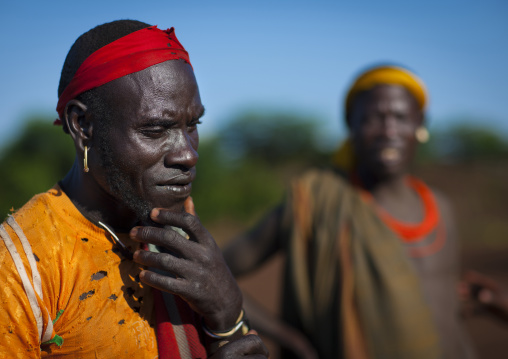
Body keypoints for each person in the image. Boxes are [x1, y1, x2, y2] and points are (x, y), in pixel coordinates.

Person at [0, 20, 268, 358]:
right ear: (83, 125)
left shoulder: (173, 219)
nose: (188, 153)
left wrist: (228, 318)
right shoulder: (24, 265)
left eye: (192, 124)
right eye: (157, 128)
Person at [224, 65, 475, 359]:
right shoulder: (317, 202)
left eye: (401, 117)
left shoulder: (441, 207)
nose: (388, 131)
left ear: (421, 124)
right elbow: (219, 271)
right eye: (372, 119)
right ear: (349, 124)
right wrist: (287, 337)